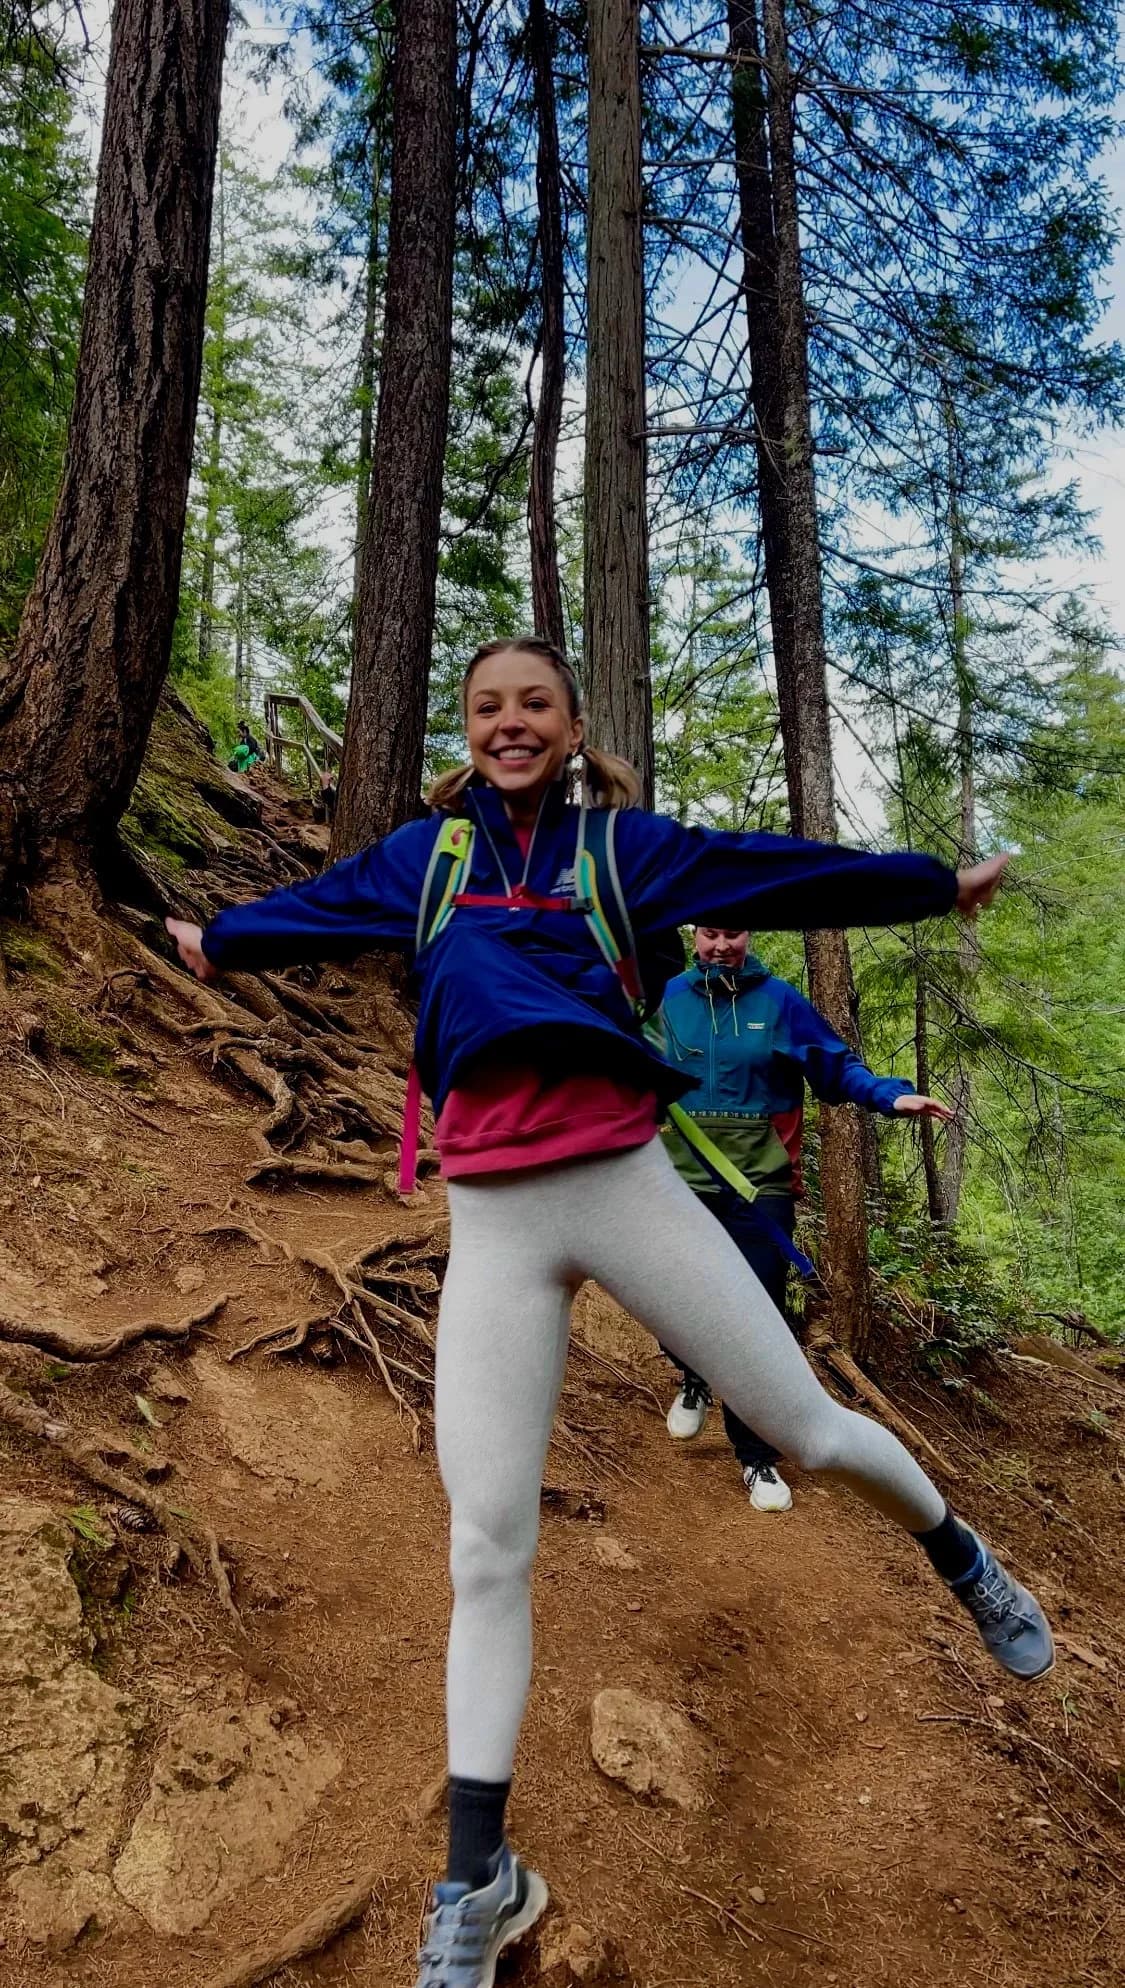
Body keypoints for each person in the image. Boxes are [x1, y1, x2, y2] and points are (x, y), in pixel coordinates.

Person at [165, 635, 1053, 1988]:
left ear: (573, 727)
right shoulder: (429, 860)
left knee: (807, 1435)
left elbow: (778, 869)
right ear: (465, 734)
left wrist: (929, 886)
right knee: (485, 1547)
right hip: (495, 1227)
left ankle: (958, 1555)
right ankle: (480, 1881)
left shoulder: (622, 853)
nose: (508, 724)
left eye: (533, 705)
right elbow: (323, 904)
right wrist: (222, 942)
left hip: (630, 1190)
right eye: (485, 709)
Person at [660, 923, 952, 1513]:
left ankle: (755, 1457)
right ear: (696, 936)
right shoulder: (667, 1001)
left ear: (749, 936)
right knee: (665, 1301)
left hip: (759, 1190)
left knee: (756, 1322)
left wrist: (887, 1096)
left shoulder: (780, 1001)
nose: (722, 946)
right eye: (712, 933)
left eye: (733, 934)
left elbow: (833, 1064)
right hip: (675, 1186)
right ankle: (694, 1372)